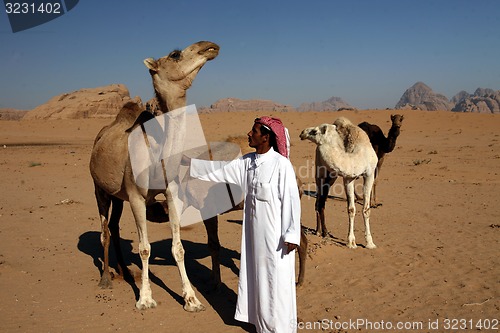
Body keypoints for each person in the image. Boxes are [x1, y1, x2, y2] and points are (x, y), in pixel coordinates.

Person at [189, 116, 301, 333]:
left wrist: (292, 235)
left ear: (266, 137)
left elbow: (291, 201)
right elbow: (219, 170)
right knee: (257, 279)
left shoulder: (281, 165)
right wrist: (192, 164)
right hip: (253, 237)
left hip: (277, 240)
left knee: (276, 282)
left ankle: (280, 328)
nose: (249, 134)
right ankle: (261, 324)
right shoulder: (247, 163)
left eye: (254, 131)